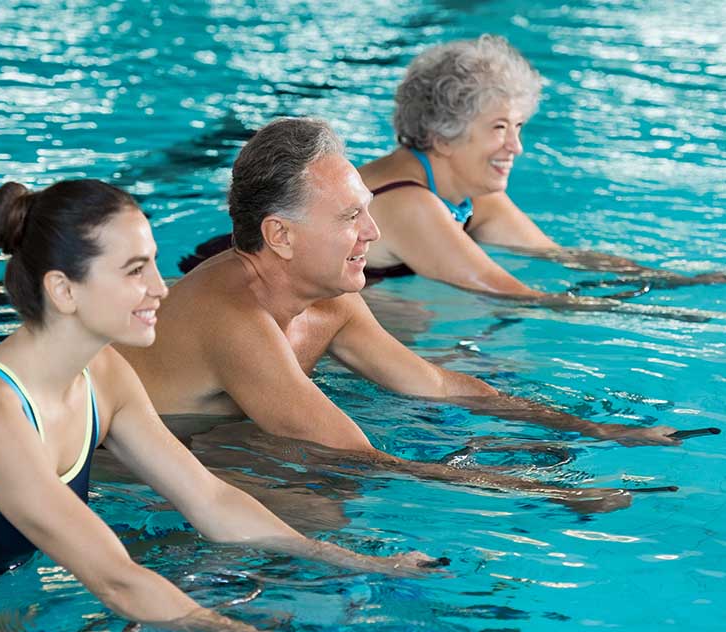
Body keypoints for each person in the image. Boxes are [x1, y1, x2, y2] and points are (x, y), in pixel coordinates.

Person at [0, 179, 456, 632]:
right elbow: (115, 579)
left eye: (154, 263)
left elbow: (209, 498)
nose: (162, 287)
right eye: (134, 271)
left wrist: (352, 561)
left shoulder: (104, 375)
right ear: (65, 290)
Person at [118, 117, 681, 512]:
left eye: (368, 210)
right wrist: (539, 491)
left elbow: (433, 382)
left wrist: (593, 428)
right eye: (350, 217)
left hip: (211, 438)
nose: (374, 232)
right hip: (121, 470)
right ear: (280, 236)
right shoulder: (232, 318)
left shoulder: (330, 297)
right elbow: (354, 457)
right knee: (322, 506)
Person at [355, 34, 725, 298]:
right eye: (499, 128)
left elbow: (561, 257)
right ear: (442, 136)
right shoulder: (407, 204)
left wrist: (689, 282)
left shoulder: (467, 190)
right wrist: (669, 317)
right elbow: (513, 294)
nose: (515, 146)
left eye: (518, 126)